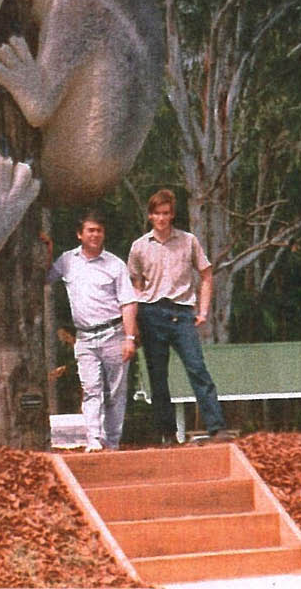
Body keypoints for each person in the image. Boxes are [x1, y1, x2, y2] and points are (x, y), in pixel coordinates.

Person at [128, 188, 230, 444]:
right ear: (150, 216)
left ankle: (217, 428)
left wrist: (203, 310)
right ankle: (168, 434)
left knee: (197, 369)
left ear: (172, 215)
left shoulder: (188, 241)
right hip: (151, 313)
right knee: (158, 376)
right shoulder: (139, 247)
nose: (161, 219)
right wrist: (136, 321)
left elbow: (206, 274)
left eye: (166, 213)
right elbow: (135, 283)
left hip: (182, 312)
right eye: (157, 214)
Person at [47, 210, 138, 451]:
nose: (95, 235)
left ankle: (113, 442)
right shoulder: (67, 261)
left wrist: (129, 338)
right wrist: (46, 248)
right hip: (85, 337)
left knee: (116, 393)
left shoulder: (115, 264)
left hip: (114, 334)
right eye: (90, 230)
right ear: (80, 234)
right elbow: (44, 276)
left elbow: (128, 302)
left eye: (99, 230)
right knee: (91, 389)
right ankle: (94, 440)